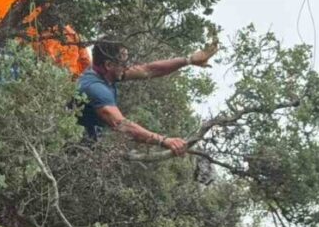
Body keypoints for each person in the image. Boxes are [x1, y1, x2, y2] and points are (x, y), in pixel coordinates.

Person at [76, 38, 219, 155]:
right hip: (71, 149)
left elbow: (148, 70)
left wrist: (189, 60)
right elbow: (122, 125)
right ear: (108, 64)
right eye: (123, 63)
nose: (128, 66)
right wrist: (164, 141)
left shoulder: (106, 73)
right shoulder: (95, 88)